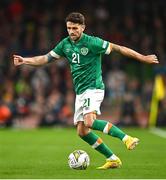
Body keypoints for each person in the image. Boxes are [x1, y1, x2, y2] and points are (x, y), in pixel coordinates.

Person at [13, 12, 159, 170]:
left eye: (75, 28)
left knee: (89, 122)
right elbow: (45, 58)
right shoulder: (65, 44)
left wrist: (143, 58)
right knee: (82, 131)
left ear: (83, 27)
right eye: (69, 28)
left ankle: (126, 138)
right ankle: (112, 158)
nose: (71, 31)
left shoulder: (93, 42)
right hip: (81, 92)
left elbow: (119, 48)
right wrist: (25, 60)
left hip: (94, 88)